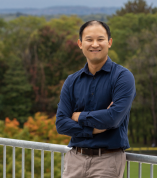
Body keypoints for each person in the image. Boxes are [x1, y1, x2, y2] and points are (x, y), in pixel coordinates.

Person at [56, 20, 136, 178]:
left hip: (107, 160)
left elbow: (112, 119)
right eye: (89, 39)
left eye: (100, 39)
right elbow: (61, 124)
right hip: (74, 160)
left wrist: (78, 116)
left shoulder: (123, 77)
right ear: (80, 43)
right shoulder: (72, 81)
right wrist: (94, 128)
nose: (95, 44)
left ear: (109, 42)